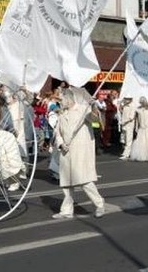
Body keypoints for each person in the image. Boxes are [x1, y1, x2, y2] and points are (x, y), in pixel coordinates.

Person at [51, 87, 105, 219]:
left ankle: (99, 204)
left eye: (62, 99)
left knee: (84, 180)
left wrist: (93, 106)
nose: (60, 101)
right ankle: (66, 211)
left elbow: (95, 121)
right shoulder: (62, 113)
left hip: (80, 151)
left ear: (69, 99)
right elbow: (57, 132)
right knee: (66, 182)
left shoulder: (83, 109)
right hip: (66, 151)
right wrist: (60, 143)